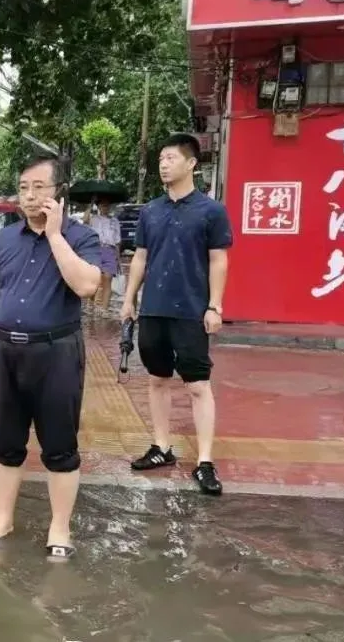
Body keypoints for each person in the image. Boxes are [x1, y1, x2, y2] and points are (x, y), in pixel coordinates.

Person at [0, 157, 102, 559]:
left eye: (39, 186)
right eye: (24, 186)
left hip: (56, 352)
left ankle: (59, 527)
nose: (30, 194)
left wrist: (56, 236)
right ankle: (2, 518)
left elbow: (88, 285)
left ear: (59, 192)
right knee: (5, 441)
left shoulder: (80, 236)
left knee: (59, 445)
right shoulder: (3, 240)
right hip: (5, 352)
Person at [120, 133, 232, 496]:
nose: (164, 164)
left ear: (191, 163)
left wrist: (215, 305)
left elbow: (219, 259)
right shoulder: (151, 211)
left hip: (191, 312)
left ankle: (204, 461)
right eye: (161, 159)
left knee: (198, 385)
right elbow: (140, 257)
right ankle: (162, 448)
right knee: (156, 379)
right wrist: (129, 299)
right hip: (154, 309)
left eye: (171, 158)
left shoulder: (211, 211)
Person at [82, 197, 122, 315]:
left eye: (107, 205)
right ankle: (92, 305)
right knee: (96, 279)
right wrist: (91, 203)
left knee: (108, 278)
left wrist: (118, 259)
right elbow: (84, 220)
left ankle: (104, 309)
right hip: (95, 249)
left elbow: (118, 241)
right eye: (103, 205)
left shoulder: (115, 221)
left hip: (110, 250)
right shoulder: (93, 219)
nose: (105, 207)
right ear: (98, 207)